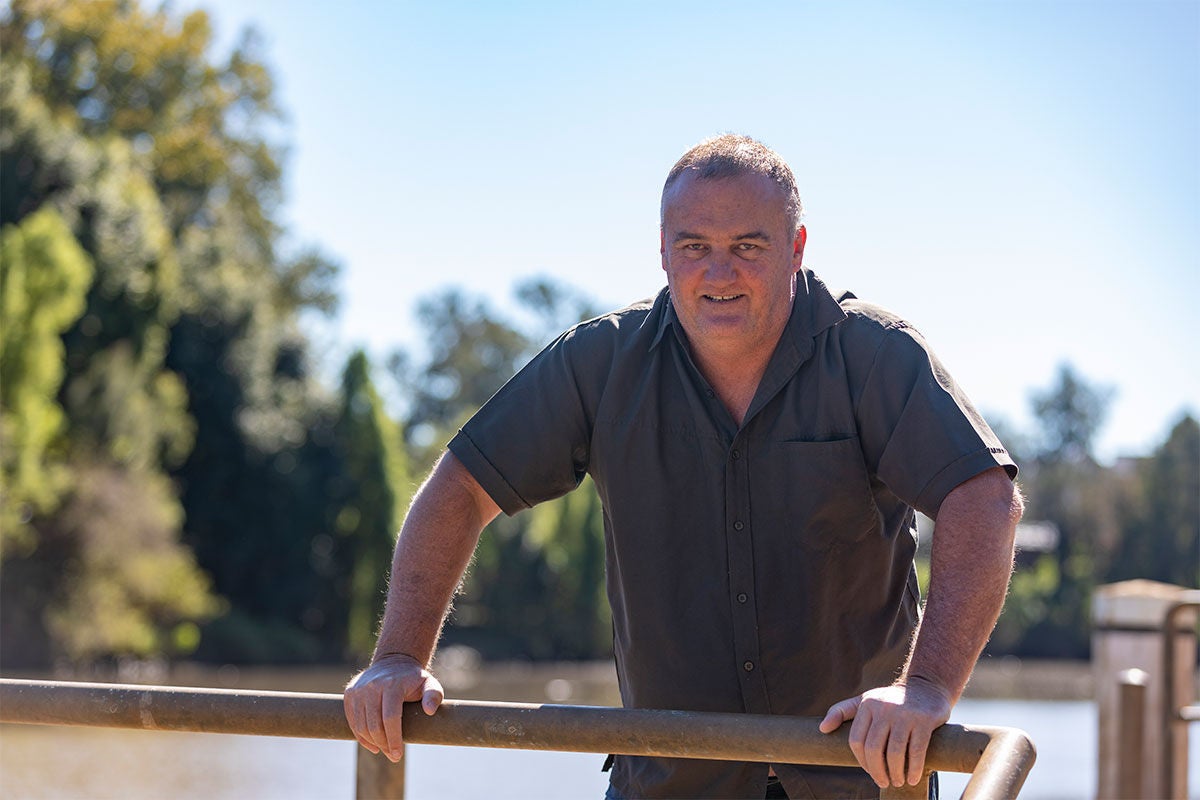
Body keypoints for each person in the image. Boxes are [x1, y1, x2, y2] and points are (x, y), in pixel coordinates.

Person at [343, 134, 1023, 799]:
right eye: (694, 247)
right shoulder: (601, 363)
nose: (718, 273)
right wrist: (400, 657)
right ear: (663, 253)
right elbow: (461, 488)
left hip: (860, 781)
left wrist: (924, 688)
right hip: (669, 784)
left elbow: (984, 501)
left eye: (747, 248)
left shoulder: (874, 356)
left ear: (796, 248)